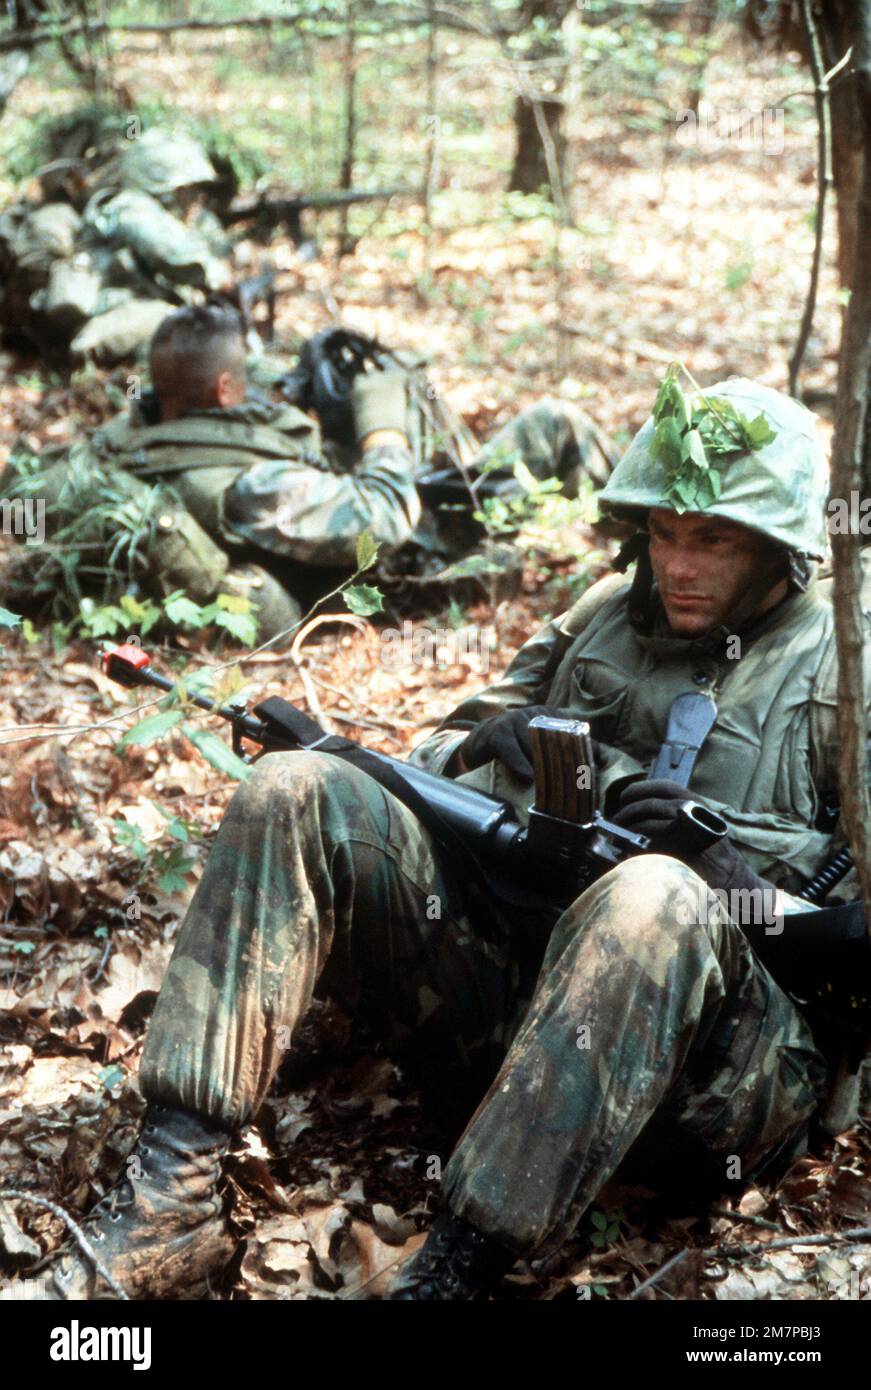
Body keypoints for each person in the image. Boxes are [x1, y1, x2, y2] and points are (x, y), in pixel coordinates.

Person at [11, 374, 858, 1303]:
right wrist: (477, 748)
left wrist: (726, 877)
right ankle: (172, 1195)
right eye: (662, 534)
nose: (676, 566)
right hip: (528, 1015)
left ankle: (460, 1266)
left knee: (652, 893)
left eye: (712, 541)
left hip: (722, 1088)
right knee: (299, 784)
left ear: (779, 546)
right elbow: (442, 743)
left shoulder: (841, 668)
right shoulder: (604, 618)